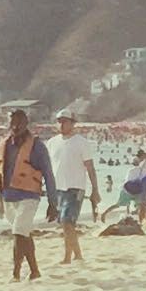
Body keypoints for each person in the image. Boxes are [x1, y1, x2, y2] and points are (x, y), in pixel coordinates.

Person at [0, 109, 58, 281]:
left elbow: (48, 174)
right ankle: (35, 271)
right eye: (12, 122)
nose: (16, 126)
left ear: (26, 124)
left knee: (18, 233)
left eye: (20, 123)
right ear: (8, 123)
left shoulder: (37, 147)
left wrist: (53, 203)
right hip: (7, 197)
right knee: (24, 233)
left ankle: (16, 273)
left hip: (29, 197)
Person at [46, 109, 100, 263]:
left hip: (76, 187)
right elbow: (49, 167)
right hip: (58, 188)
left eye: (65, 121)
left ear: (72, 123)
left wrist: (95, 190)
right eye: (59, 121)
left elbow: (90, 167)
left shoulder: (82, 143)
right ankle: (77, 254)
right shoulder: (52, 143)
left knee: (67, 221)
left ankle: (68, 257)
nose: (62, 124)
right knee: (64, 224)